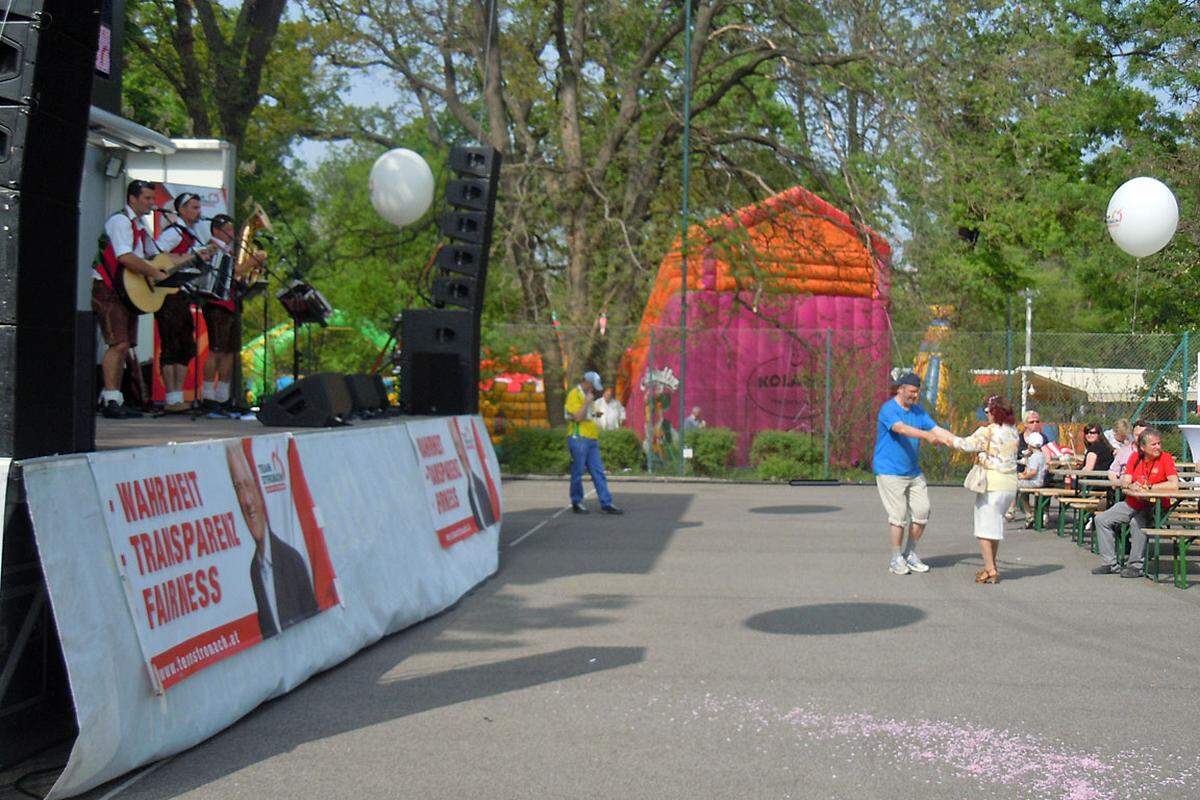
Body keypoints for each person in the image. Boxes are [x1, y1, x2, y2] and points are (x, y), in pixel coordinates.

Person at [91, 180, 171, 419]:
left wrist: (188, 259)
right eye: (147, 198)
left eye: (152, 199)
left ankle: (115, 398)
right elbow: (125, 256)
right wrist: (155, 273)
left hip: (126, 290)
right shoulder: (120, 221)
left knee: (125, 345)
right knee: (118, 344)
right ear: (132, 198)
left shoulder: (140, 225)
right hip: (108, 288)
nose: (152, 203)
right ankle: (110, 399)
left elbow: (153, 255)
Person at [225, 442, 319, 638]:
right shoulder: (254, 569)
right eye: (237, 488)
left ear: (261, 493)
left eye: (248, 486)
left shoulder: (291, 560)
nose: (247, 501)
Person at [873, 372, 953, 575]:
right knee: (898, 516)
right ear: (900, 389)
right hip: (889, 471)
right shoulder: (888, 409)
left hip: (913, 472)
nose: (915, 396)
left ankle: (910, 553)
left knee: (922, 512)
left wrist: (962, 442)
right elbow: (901, 429)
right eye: (912, 392)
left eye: (917, 392)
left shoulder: (918, 411)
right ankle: (895, 558)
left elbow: (937, 429)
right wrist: (926, 435)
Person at [949, 395, 1020, 583]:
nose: (986, 414)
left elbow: (964, 445)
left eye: (988, 411)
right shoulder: (1014, 432)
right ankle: (991, 566)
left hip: (992, 484)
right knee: (994, 527)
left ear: (994, 412)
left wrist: (943, 436)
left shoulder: (988, 431)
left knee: (984, 529)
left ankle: (990, 569)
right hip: (1010, 485)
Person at [1092, 426, 1178, 578]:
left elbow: (1174, 484)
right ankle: (1109, 563)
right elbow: (1125, 481)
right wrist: (1132, 485)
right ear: (1143, 447)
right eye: (1154, 444)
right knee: (1101, 519)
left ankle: (1135, 566)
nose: (1158, 447)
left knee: (1136, 522)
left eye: (1159, 443)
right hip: (1133, 502)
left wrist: (1150, 487)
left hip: (1155, 506)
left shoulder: (1166, 458)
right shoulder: (1135, 458)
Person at [153, 192, 212, 412]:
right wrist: (190, 257)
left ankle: (177, 397)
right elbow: (156, 256)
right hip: (167, 292)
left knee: (185, 344)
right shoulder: (173, 234)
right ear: (182, 210)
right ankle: (171, 398)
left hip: (182, 293)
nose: (199, 212)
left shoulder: (190, 234)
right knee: (171, 343)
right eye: (194, 208)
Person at [200, 214, 246, 412]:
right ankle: (208, 395)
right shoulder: (212, 247)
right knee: (216, 350)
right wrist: (250, 264)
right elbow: (227, 272)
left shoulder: (228, 249)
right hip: (216, 303)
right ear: (216, 230)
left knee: (230, 351)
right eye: (228, 230)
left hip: (231, 303)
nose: (232, 234)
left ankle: (223, 396)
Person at [564, 371, 623, 515]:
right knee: (577, 472)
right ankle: (576, 502)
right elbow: (577, 417)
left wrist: (608, 413)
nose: (594, 389)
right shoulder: (574, 395)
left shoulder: (588, 396)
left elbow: (596, 414)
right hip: (578, 438)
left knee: (598, 472)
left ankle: (606, 503)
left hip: (591, 438)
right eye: (592, 386)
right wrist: (586, 402)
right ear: (587, 382)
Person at [1008, 431, 1047, 521]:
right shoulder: (1041, 456)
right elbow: (1029, 470)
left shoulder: (1034, 457)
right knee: (1023, 495)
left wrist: (1023, 477)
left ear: (1030, 445)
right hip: (1039, 482)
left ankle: (1011, 509)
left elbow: (1033, 472)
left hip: (1034, 482)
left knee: (1014, 484)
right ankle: (1028, 514)